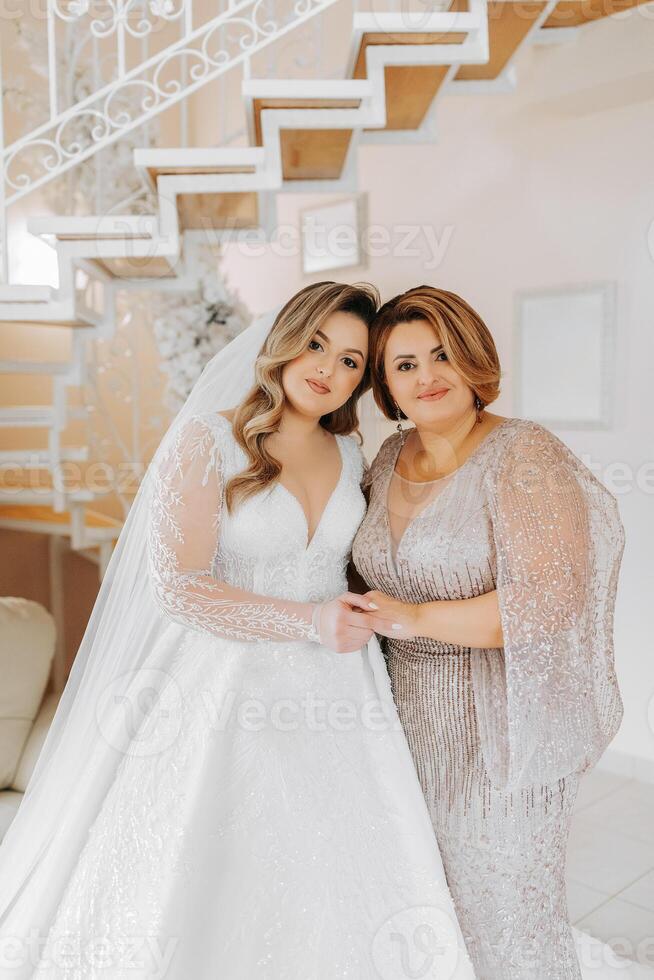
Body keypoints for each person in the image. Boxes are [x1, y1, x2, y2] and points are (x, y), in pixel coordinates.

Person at [0, 281, 475, 980]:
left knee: (337, 857)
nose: (328, 369)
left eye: (350, 360)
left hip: (340, 690)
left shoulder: (349, 455)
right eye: (317, 344)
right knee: (211, 857)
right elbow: (180, 585)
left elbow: (345, 564)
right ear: (283, 340)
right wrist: (309, 621)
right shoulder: (207, 439)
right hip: (220, 682)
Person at [351, 284, 652, 979]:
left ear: (473, 360)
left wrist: (412, 617)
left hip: (500, 725)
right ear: (386, 385)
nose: (426, 376)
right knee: (426, 908)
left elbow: (549, 600)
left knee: (507, 916)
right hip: (400, 723)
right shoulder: (388, 459)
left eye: (441, 355)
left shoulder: (523, 454)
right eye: (404, 365)